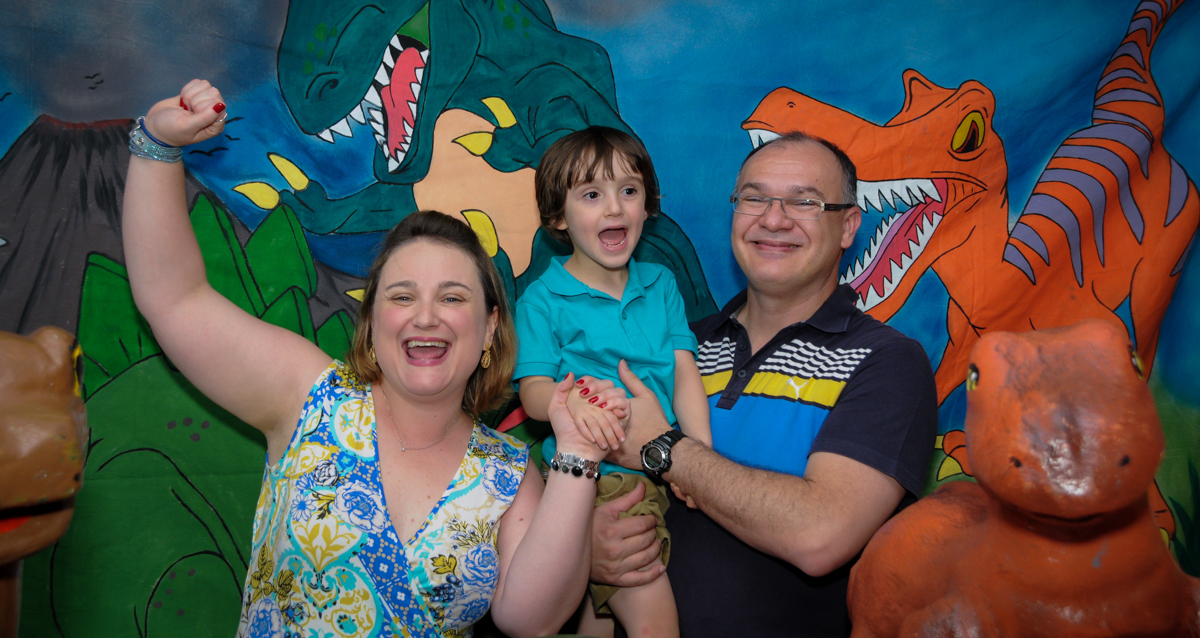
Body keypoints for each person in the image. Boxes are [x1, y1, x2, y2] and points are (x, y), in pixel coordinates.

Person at [123, 80, 607, 638]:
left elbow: (532, 620)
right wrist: (156, 145)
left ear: (489, 327)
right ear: (372, 323)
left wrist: (575, 456)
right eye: (402, 296)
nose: (426, 316)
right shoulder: (307, 396)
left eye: (452, 297)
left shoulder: (510, 475)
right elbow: (173, 298)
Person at [583, 131, 938, 638]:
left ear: (848, 226)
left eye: (805, 201)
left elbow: (821, 534)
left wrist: (664, 448)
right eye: (754, 198)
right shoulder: (673, 345)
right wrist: (588, 551)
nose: (773, 219)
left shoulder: (886, 362)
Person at [512, 126, 712, 638]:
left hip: (660, 470)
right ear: (558, 217)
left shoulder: (661, 285)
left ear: (648, 205)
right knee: (655, 621)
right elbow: (532, 392)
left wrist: (699, 460)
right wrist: (572, 404)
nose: (615, 208)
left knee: (596, 622)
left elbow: (685, 371)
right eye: (592, 195)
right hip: (597, 480)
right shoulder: (542, 299)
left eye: (629, 190)